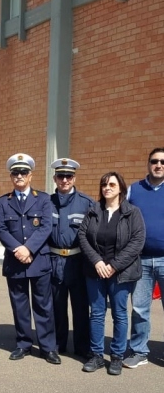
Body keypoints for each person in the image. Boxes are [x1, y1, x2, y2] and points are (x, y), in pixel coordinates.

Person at [78, 172, 145, 376]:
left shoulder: (132, 212)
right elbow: (82, 236)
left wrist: (114, 265)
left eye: (112, 184)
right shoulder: (93, 211)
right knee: (97, 313)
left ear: (121, 188)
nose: (107, 188)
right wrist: (97, 261)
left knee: (119, 314)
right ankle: (97, 355)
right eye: (104, 184)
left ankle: (117, 356)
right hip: (95, 271)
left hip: (120, 273)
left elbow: (137, 241)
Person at [0, 153, 60, 364]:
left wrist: (29, 249)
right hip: (15, 261)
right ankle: (23, 344)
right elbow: (1, 228)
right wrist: (18, 250)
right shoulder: (4, 201)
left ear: (31, 175)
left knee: (43, 305)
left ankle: (47, 347)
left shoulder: (43, 199)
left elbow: (46, 227)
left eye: (24, 172)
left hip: (38, 260)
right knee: (20, 305)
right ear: (11, 176)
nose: (19, 176)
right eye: (15, 172)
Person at [49, 158, 94, 357]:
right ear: (54, 178)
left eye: (68, 176)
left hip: (78, 262)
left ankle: (82, 346)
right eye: (61, 176)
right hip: (54, 261)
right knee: (57, 306)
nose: (64, 180)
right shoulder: (46, 202)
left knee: (81, 307)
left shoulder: (87, 203)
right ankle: (58, 344)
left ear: (74, 178)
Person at [124, 148, 164, 369]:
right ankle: (139, 351)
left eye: (162, 162)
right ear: (148, 164)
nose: (159, 165)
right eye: (154, 161)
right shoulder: (134, 190)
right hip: (140, 260)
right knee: (139, 308)